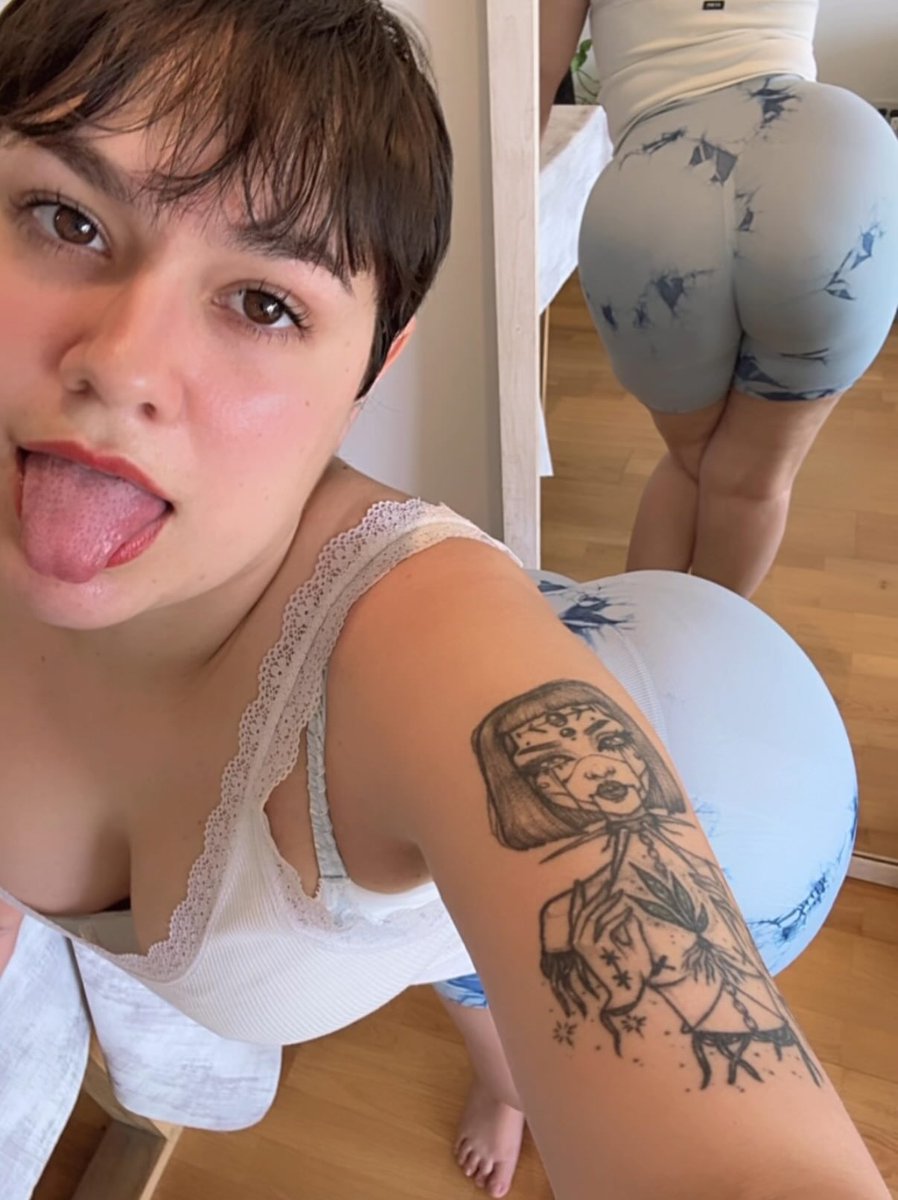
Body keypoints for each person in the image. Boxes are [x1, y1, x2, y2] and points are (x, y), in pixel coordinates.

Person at [0, 1, 888, 1198]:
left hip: (755, 784)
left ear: (373, 366)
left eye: (264, 303)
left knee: (492, 996)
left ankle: (507, 1084)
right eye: (66, 219)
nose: (120, 362)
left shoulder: (428, 657)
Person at [540, 0, 898, 598]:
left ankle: (642, 650)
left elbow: (536, 76)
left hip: (657, 178)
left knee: (691, 464)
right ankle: (707, 646)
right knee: (750, 482)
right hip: (828, 162)